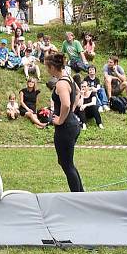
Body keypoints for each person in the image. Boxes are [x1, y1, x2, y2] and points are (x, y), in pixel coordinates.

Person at [45, 53, 84, 192]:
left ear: (52, 67)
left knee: (67, 164)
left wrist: (61, 119)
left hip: (66, 127)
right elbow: (78, 92)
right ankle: (81, 194)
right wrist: (71, 112)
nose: (46, 70)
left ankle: (78, 197)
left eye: (46, 67)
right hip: (71, 124)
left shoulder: (61, 83)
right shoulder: (68, 77)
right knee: (67, 163)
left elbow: (66, 104)